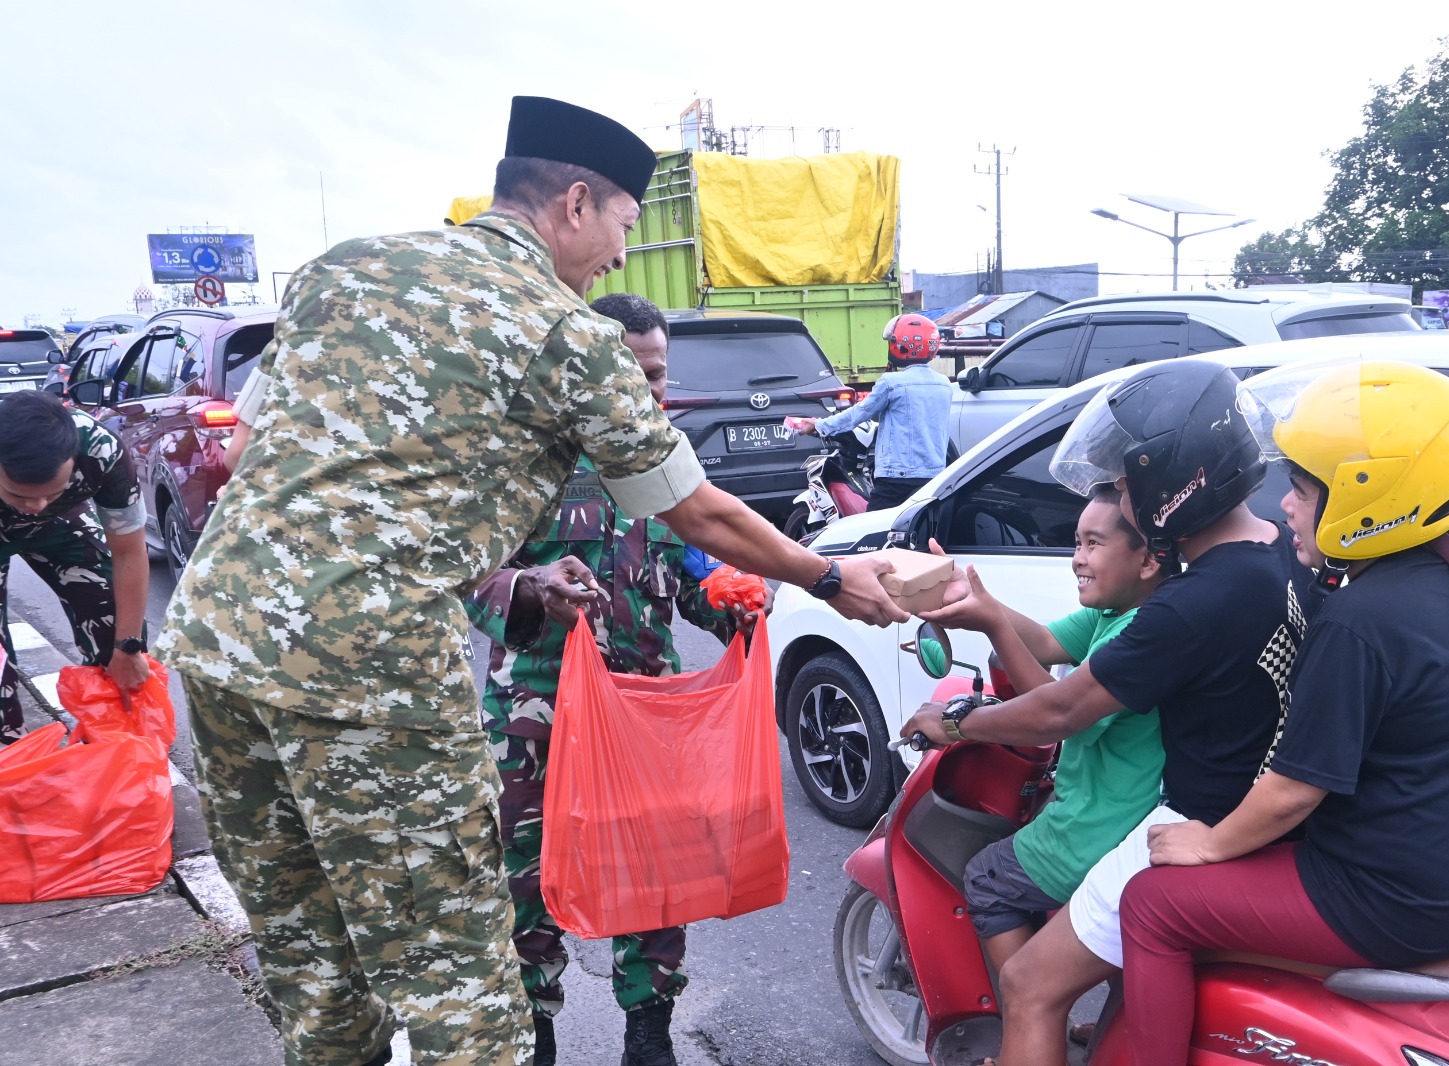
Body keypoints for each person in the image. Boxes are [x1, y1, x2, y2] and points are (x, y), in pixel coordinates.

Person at [155, 96, 906, 1066]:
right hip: (369, 667)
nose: (623, 259)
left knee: (322, 985)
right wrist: (830, 574)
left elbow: (252, 452)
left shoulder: (339, 273)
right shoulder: (565, 333)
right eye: (626, 228)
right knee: (473, 1008)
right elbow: (695, 508)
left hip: (218, 646)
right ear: (577, 204)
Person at [1119, 359, 1449, 1066]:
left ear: (1367, 499)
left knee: (1152, 904)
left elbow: (1290, 793)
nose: (1286, 504)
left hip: (1397, 899)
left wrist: (1207, 844)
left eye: (1305, 488)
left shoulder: (1363, 621)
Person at [899, 359, 1311, 1066]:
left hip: (1189, 823)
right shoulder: (1278, 551)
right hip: (1251, 813)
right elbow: (1064, 653)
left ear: (1175, 481)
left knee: (1029, 983)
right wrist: (988, 610)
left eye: (1128, 480)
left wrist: (957, 722)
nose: (1124, 491)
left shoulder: (1191, 605)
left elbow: (1061, 711)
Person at [464, 291, 761, 1066]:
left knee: (656, 871)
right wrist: (528, 592)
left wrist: (735, 601)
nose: (648, 391)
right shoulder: (528, 463)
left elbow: (694, 577)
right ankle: (537, 1032)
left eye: (657, 375)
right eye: (631, 373)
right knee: (528, 876)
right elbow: (467, 577)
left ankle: (649, 1030)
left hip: (643, 712)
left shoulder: (674, 471)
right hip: (539, 709)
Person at [918, 483, 1165, 979]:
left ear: (1148, 560)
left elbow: (1053, 714)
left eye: (1093, 544)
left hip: (1098, 827)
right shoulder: (1115, 611)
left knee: (987, 880)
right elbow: (1048, 640)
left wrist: (989, 630)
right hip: (1117, 816)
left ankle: (1030, 1023)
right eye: (1076, 543)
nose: (1078, 558)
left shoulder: (1138, 633)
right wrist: (975, 601)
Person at [0, 391, 150, 741]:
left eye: (50, 492)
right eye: (19, 495)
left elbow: (129, 552)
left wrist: (128, 646)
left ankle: (112, 753)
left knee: (117, 632)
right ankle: (13, 768)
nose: (34, 505)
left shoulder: (101, 449)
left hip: (63, 524)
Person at [792, 313, 952, 511]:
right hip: (934, 475)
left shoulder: (891, 383)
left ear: (900, 345)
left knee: (872, 531)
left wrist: (818, 425)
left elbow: (857, 414)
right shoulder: (945, 384)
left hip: (897, 480)